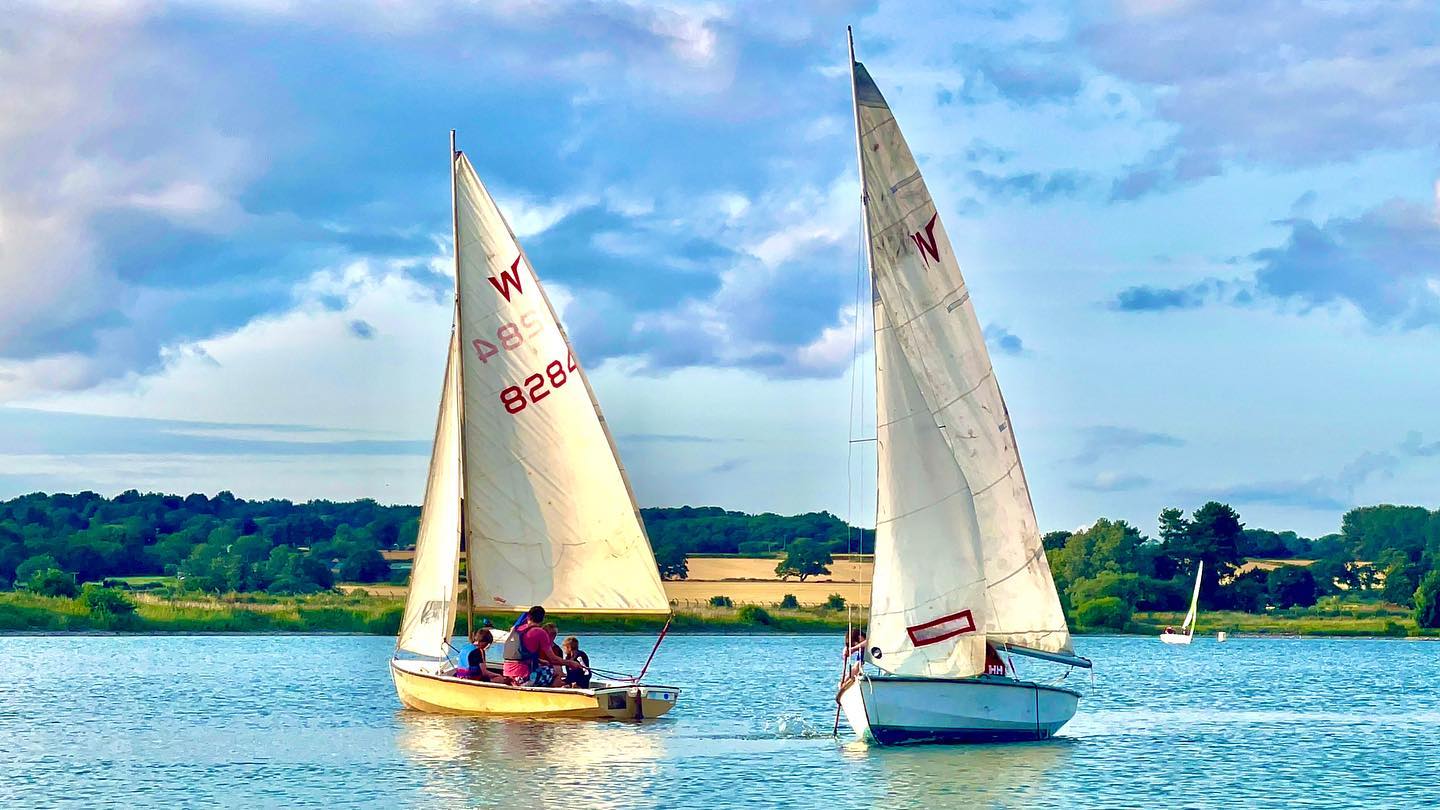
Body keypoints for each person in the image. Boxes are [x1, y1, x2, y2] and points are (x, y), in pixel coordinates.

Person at [502, 605, 587, 687]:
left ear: (528, 617)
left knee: (544, 667)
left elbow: (519, 654)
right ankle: (553, 695)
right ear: (542, 619)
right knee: (556, 671)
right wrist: (570, 663)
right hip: (524, 677)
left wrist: (540, 661)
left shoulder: (515, 629)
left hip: (507, 672)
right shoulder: (540, 632)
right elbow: (553, 659)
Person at [835, 627, 868, 701]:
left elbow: (869, 642)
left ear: (859, 638)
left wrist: (853, 649)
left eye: (854, 644)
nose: (855, 647)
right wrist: (844, 682)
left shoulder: (870, 641)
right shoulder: (862, 650)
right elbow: (856, 667)